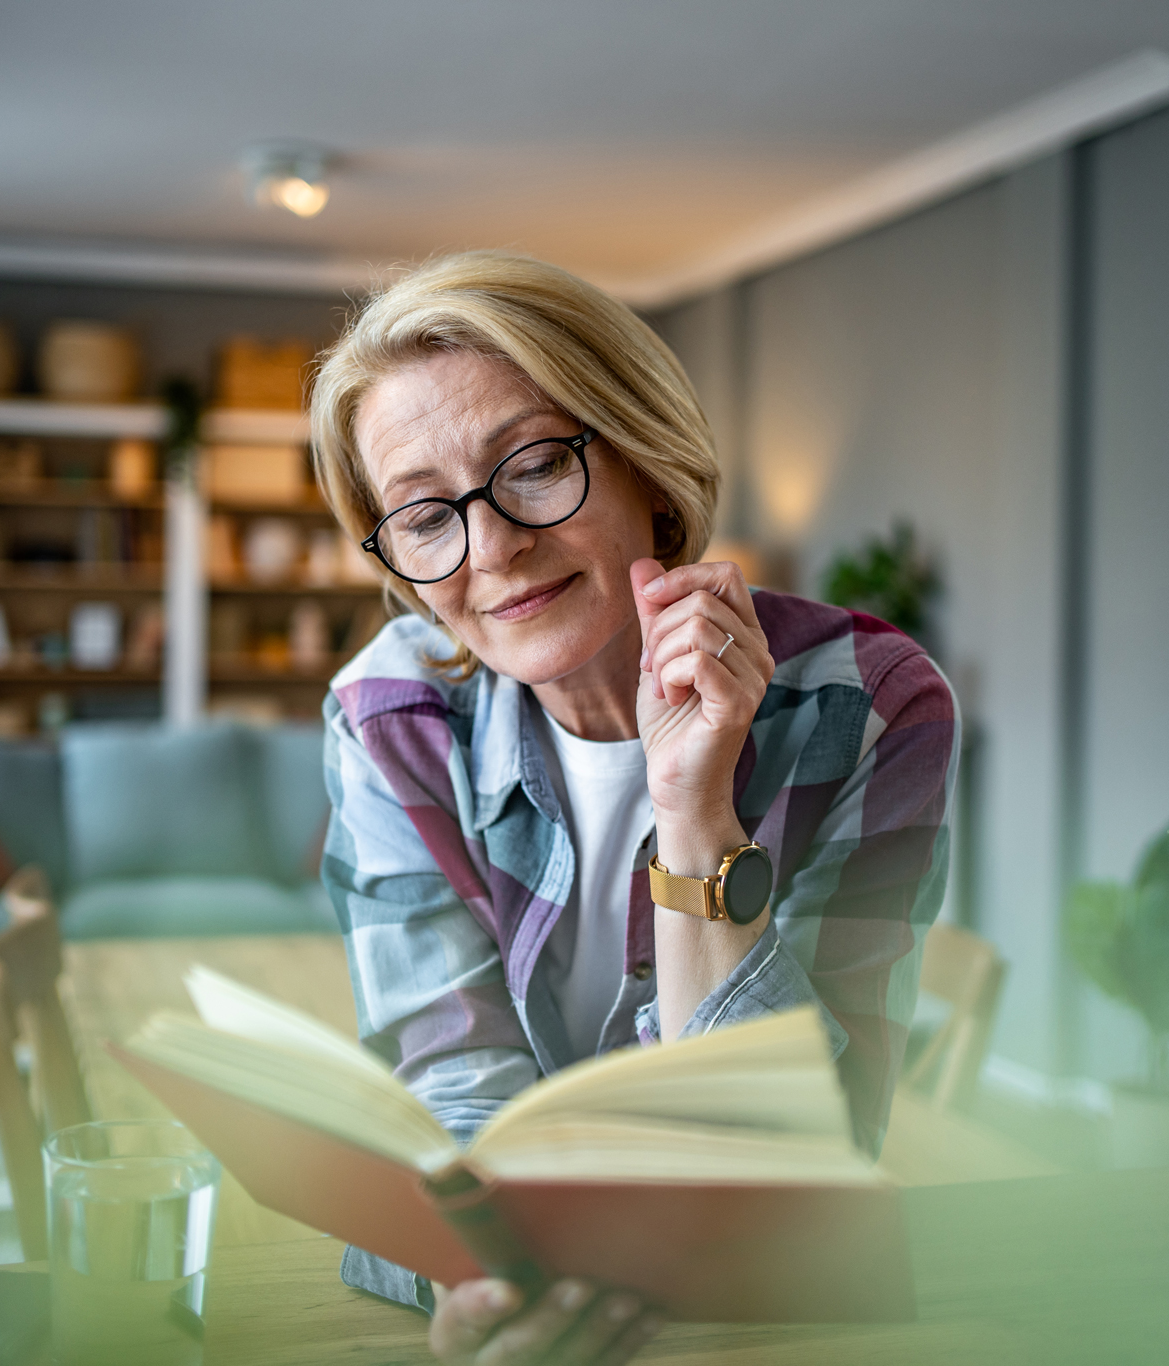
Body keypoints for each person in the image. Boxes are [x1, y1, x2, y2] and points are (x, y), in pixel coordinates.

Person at [311, 251, 958, 1365]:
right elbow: (446, 1095)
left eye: (532, 466)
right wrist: (481, 1279)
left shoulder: (869, 705)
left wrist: (694, 804)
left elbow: (807, 1153)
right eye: (422, 515)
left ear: (647, 463)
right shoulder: (387, 716)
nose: (492, 547)